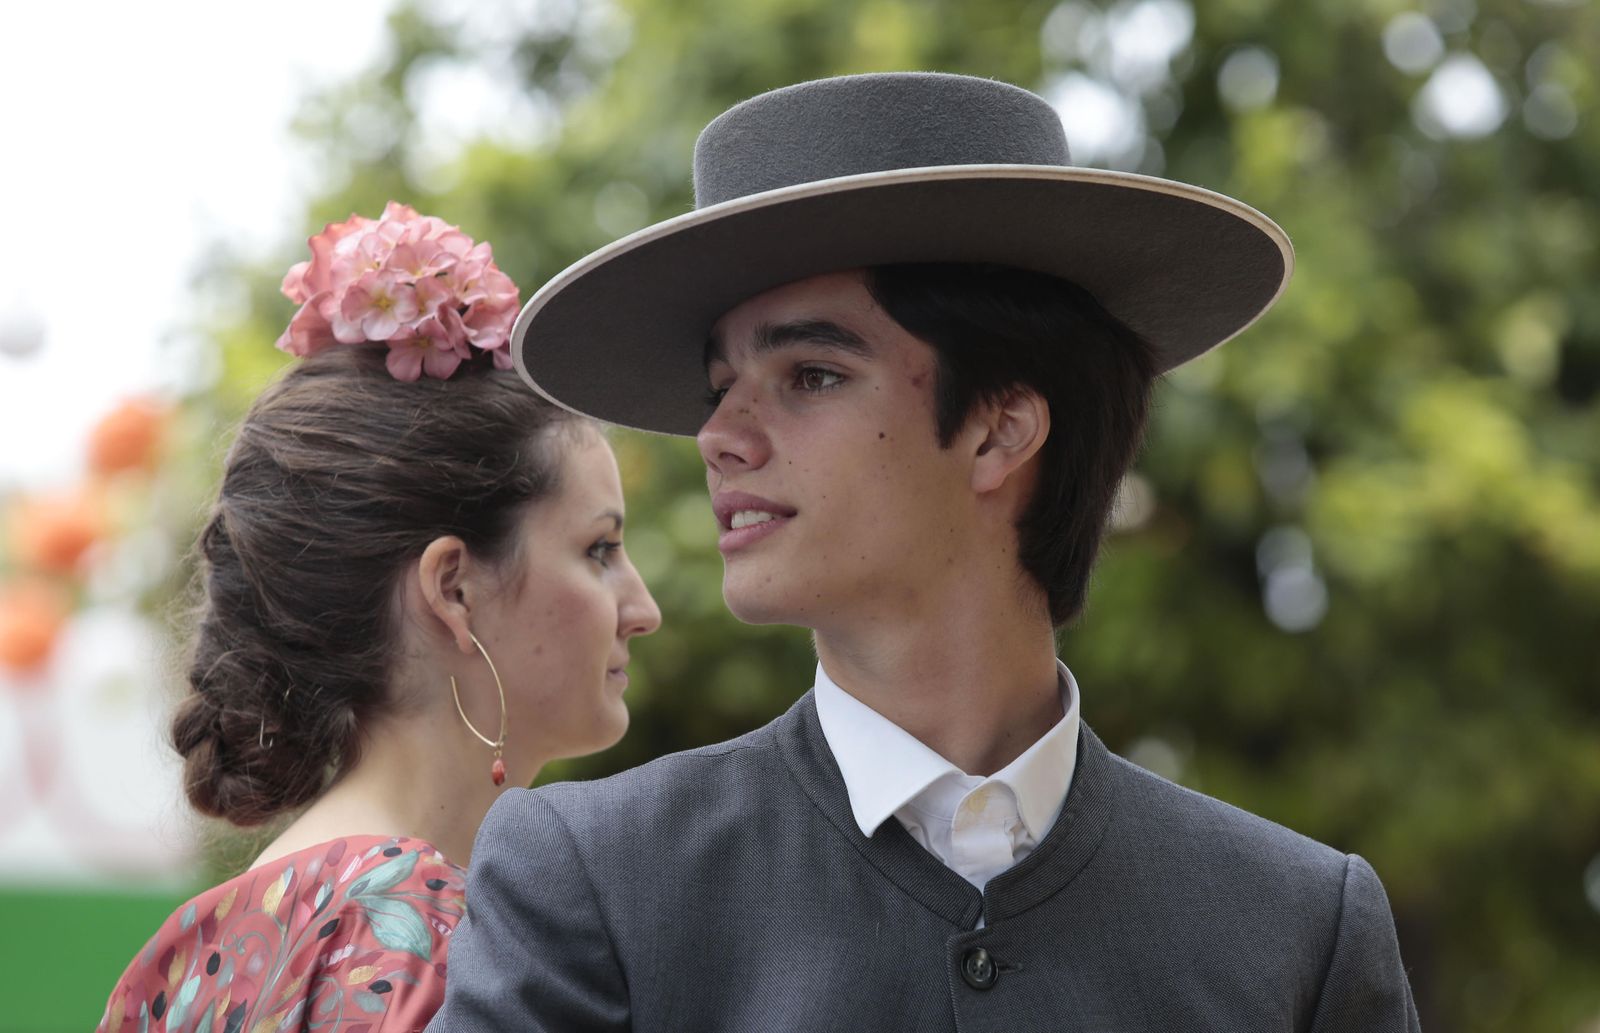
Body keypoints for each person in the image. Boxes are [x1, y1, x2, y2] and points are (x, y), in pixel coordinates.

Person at [431, 73, 1420, 1030]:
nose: (720, 436)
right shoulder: (590, 877)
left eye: (810, 374)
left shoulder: (1300, 926)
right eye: (717, 385)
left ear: (1000, 430)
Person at [97, 202, 661, 1033]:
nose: (641, 610)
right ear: (453, 587)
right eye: (600, 550)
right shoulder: (445, 941)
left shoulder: (185, 957)